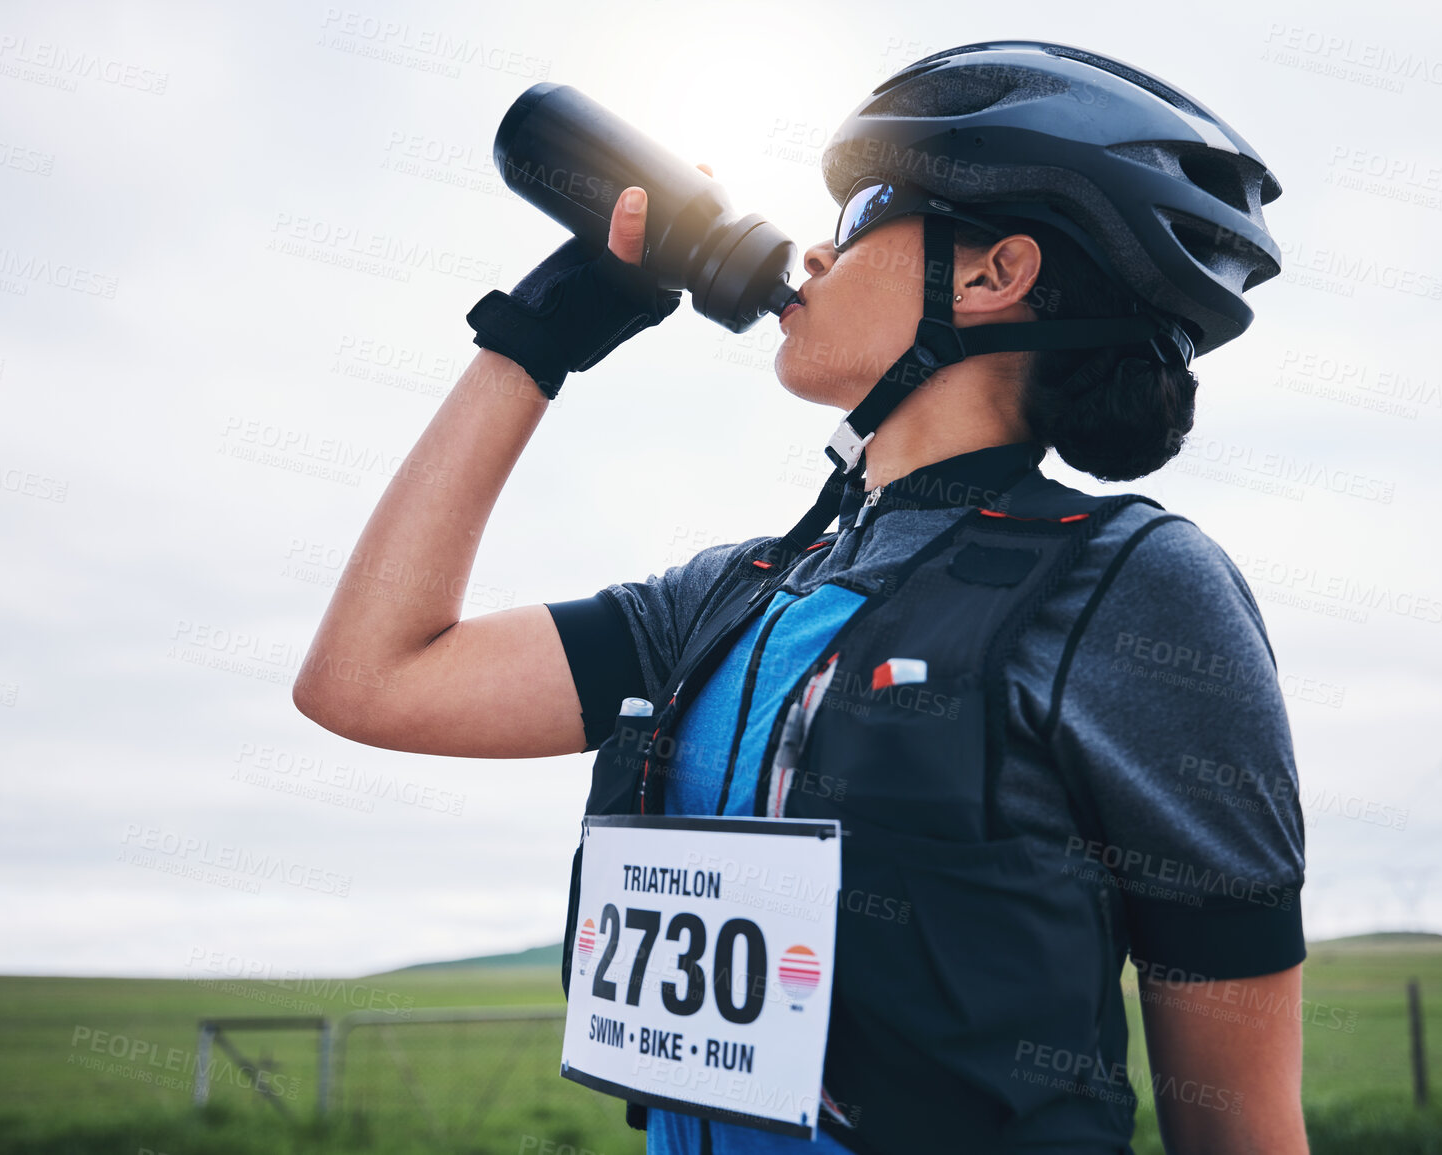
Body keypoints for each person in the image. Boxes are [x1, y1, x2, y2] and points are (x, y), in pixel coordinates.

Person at [295, 40, 1308, 1155]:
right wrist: (542, 336)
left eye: (867, 207)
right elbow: (369, 679)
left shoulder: (1132, 583)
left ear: (992, 274)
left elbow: (1241, 1123)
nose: (817, 248)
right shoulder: (732, 597)